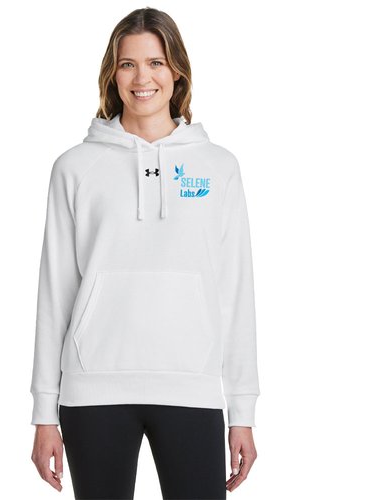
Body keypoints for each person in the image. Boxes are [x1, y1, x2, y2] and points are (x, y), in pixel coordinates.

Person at [29, 7, 260, 499]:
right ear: (112, 74)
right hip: (93, 390)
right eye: (128, 64)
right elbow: (55, 292)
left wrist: (242, 409)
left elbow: (235, 291)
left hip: (191, 386)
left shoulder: (219, 167)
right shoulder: (75, 167)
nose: (142, 78)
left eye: (155, 63)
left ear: (177, 71)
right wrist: (44, 412)